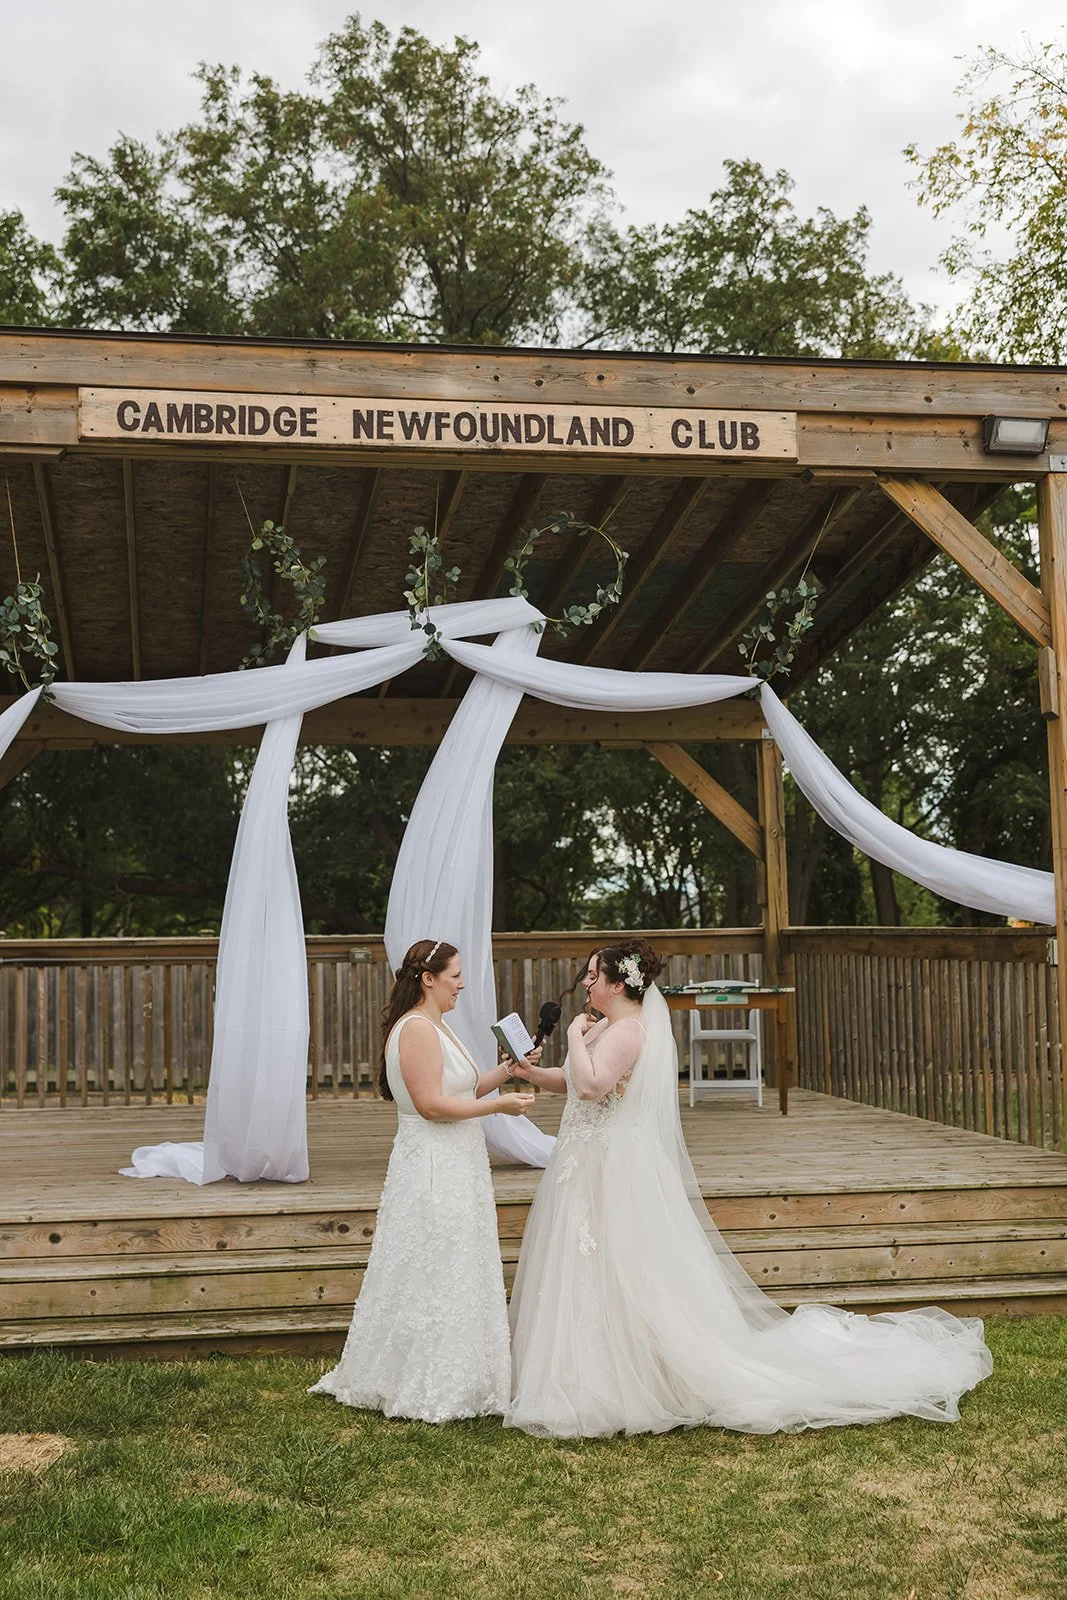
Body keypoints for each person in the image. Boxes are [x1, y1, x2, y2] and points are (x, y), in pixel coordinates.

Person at [506, 938, 993, 1438]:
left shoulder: (629, 1031)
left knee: (622, 1262)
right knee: (593, 1262)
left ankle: (633, 1376)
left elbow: (592, 1086)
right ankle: (589, 1367)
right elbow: (571, 1080)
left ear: (617, 983)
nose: (586, 983)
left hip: (611, 1165)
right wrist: (531, 1071)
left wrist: (569, 1034)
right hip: (587, 1162)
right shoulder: (606, 1027)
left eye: (593, 975)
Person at [309, 939, 536, 1423]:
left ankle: (466, 1374)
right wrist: (498, 1108)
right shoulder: (415, 1030)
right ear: (428, 978)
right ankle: (423, 1380)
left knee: (456, 1262)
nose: (461, 984)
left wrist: (506, 1072)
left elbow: (461, 1089)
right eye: (454, 975)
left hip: (459, 1161)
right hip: (432, 1163)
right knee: (433, 1265)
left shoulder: (438, 1026)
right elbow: (431, 1106)